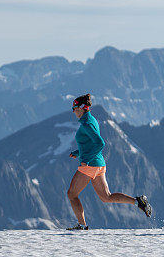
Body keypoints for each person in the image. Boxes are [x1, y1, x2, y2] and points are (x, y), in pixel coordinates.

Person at [65, 94, 152, 230]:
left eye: (74, 108)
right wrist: (78, 153)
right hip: (99, 164)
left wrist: (85, 159)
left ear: (82, 108)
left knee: (72, 194)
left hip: (90, 165)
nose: (73, 111)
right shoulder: (90, 120)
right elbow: (89, 144)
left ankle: (82, 225)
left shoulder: (87, 124)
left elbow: (100, 143)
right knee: (107, 197)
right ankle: (138, 202)